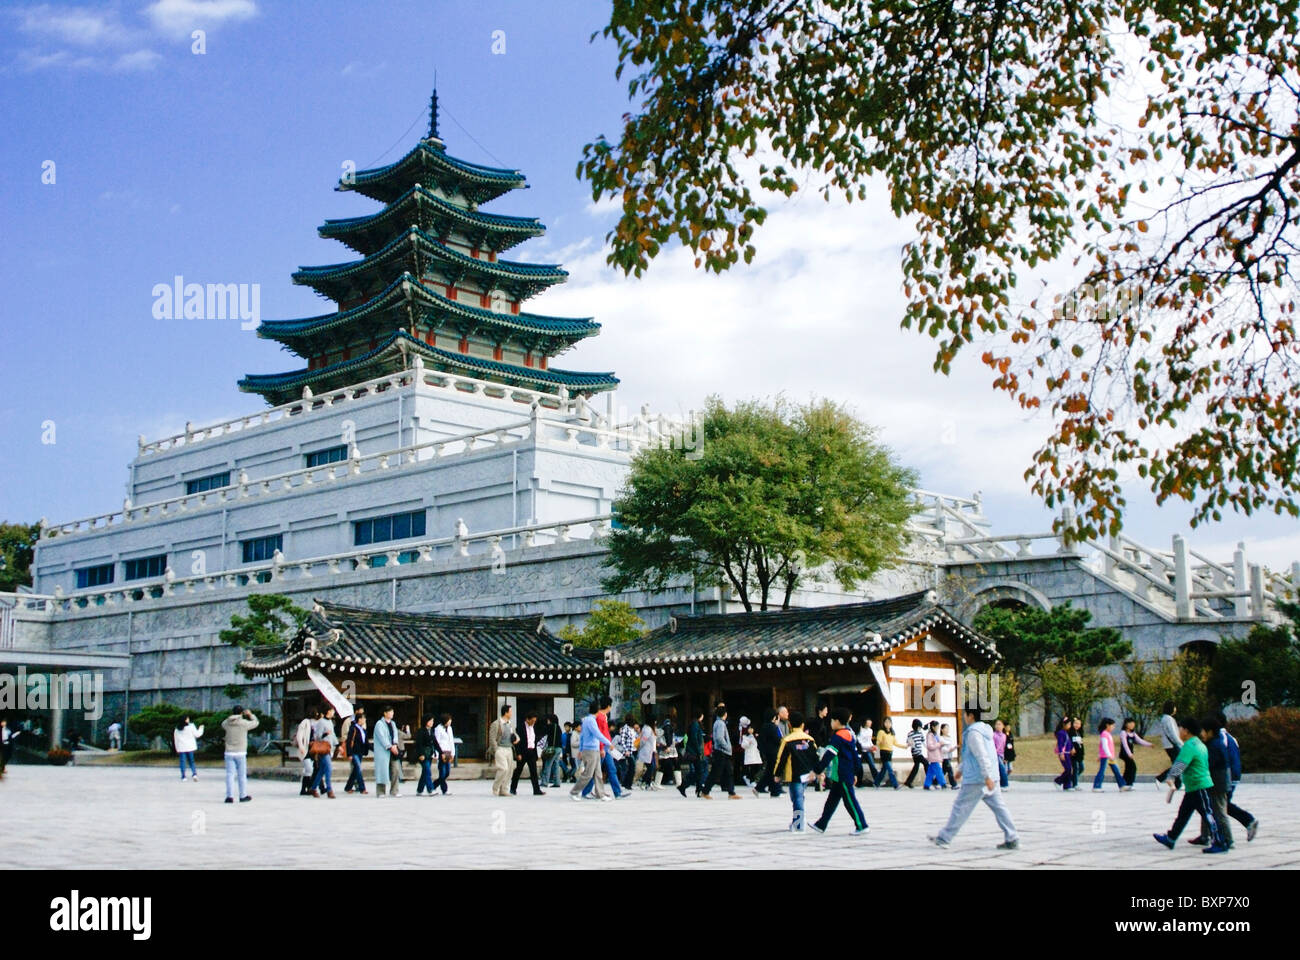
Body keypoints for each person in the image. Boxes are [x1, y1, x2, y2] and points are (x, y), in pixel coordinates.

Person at [930, 708, 1019, 849]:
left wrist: (986, 776)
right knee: (1000, 808)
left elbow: (981, 755)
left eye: (965, 714)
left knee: (960, 807)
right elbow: (971, 755)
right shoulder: (986, 731)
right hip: (990, 776)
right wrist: (961, 770)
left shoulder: (973, 733)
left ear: (971, 716)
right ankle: (1012, 837)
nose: (964, 717)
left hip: (977, 779)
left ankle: (944, 838)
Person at [1153, 715, 1226, 853]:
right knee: (1183, 814)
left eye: (1180, 728)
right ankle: (1171, 838)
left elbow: (1180, 763)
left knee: (1208, 815)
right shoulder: (1198, 743)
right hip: (1195, 786)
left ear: (1186, 730)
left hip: (1199, 786)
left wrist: (1171, 777)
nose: (1179, 731)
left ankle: (1221, 842)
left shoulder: (1190, 746)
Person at [809, 707, 868, 835]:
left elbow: (828, 755)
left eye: (832, 720)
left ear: (836, 721)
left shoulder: (838, 737)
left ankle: (862, 825)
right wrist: (857, 772)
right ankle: (821, 824)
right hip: (842, 774)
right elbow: (855, 754)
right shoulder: (849, 734)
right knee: (832, 800)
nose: (831, 723)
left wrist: (817, 770)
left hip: (843, 774)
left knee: (850, 801)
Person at [1189, 717, 1235, 848]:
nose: (1201, 733)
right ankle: (1205, 836)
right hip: (1212, 783)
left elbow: (1208, 764)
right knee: (1207, 809)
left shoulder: (1214, 745)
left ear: (1209, 732)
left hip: (1218, 784)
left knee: (1220, 812)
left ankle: (1228, 839)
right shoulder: (1213, 743)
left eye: (1203, 731)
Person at [1214, 714, 1259, 842]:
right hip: (1234, 774)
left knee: (1220, 805)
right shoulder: (1231, 738)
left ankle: (1248, 821)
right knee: (1221, 804)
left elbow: (1221, 756)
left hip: (1227, 776)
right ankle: (1208, 835)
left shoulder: (1220, 737)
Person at [772, 711, 818, 831]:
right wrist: (819, 771)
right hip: (808, 774)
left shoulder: (787, 740)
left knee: (797, 798)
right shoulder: (810, 740)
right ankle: (799, 819)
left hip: (795, 774)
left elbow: (780, 759)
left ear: (789, 725)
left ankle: (798, 824)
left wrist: (777, 774)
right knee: (800, 796)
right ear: (803, 725)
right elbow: (815, 757)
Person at [582, 696, 627, 799]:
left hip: (606, 747)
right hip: (602, 748)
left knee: (611, 769)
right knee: (595, 771)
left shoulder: (602, 717)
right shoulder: (600, 717)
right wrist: (602, 747)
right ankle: (586, 791)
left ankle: (617, 792)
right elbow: (599, 734)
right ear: (608, 706)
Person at [571, 700, 614, 802]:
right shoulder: (590, 721)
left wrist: (581, 750)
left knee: (598, 774)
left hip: (593, 750)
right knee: (588, 774)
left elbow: (582, 736)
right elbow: (597, 734)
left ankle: (600, 794)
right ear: (597, 710)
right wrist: (608, 743)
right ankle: (574, 792)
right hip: (590, 750)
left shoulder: (586, 720)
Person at [701, 706, 741, 799]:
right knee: (716, 773)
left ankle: (731, 792)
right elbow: (719, 738)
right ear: (725, 714)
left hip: (723, 752)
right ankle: (705, 791)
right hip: (721, 751)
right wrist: (727, 746)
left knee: (729, 771)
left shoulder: (719, 723)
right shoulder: (720, 724)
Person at [221, 706, 259, 804]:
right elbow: (256, 723)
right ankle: (242, 795)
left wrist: (232, 717)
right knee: (241, 775)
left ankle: (229, 796)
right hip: (241, 752)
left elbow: (223, 723)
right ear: (242, 713)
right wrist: (250, 715)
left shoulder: (226, 723)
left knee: (230, 775)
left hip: (229, 752)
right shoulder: (244, 723)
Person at [511, 711, 546, 796]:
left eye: (534, 721)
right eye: (532, 721)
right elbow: (517, 742)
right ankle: (513, 788)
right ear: (527, 719)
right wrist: (518, 753)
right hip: (523, 752)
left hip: (532, 751)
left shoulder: (534, 727)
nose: (533, 723)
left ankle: (536, 790)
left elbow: (534, 740)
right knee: (518, 771)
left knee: (534, 772)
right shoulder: (520, 727)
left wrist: (536, 753)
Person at [487, 704, 519, 797]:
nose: (512, 713)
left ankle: (504, 789)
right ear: (506, 712)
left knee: (510, 770)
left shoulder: (510, 724)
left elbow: (515, 734)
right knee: (503, 768)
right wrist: (496, 749)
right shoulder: (496, 723)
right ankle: (496, 787)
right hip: (500, 748)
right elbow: (492, 738)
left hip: (509, 748)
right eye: (510, 711)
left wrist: (517, 739)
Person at [309, 706, 339, 798]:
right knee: (328, 768)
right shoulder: (321, 722)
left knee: (322, 770)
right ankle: (329, 790)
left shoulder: (330, 722)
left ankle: (313, 788)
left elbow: (333, 735)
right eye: (332, 710)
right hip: (323, 748)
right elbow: (317, 736)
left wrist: (337, 745)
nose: (333, 712)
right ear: (328, 711)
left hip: (329, 748)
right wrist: (325, 734)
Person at [373, 705, 402, 797]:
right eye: (390, 712)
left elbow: (395, 735)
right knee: (382, 770)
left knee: (396, 769)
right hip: (383, 751)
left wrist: (395, 744)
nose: (392, 714)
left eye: (392, 712)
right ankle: (380, 791)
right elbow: (382, 737)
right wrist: (390, 746)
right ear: (385, 713)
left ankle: (394, 790)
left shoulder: (393, 723)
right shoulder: (379, 724)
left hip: (393, 749)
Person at [677, 707, 707, 797]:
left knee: (699, 771)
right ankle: (684, 785)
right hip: (694, 752)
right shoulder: (695, 724)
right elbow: (694, 738)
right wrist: (698, 751)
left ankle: (698, 789)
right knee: (699, 772)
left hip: (696, 751)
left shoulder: (696, 724)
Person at [1092, 718, 1127, 792]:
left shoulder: (1107, 734)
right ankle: (1096, 786)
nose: (1114, 727)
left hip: (1110, 756)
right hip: (1106, 757)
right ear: (1107, 725)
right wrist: (1108, 755)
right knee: (1102, 771)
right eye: (1112, 725)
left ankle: (1122, 785)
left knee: (1116, 771)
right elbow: (1104, 746)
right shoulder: (1104, 734)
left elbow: (1102, 746)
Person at [754, 709, 784, 797]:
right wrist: (777, 726)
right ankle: (766, 788)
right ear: (774, 717)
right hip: (773, 752)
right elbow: (778, 739)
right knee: (773, 771)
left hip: (767, 752)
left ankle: (772, 790)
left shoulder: (764, 726)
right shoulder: (772, 727)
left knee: (770, 771)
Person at [1154, 701, 1182, 789]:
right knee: (1179, 764)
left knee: (1177, 764)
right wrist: (1180, 743)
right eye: (1174, 707)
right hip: (1172, 745)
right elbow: (1173, 733)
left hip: (1168, 745)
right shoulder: (1168, 719)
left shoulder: (1164, 718)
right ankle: (1161, 778)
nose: (1175, 709)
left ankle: (1177, 784)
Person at [1117, 717, 1151, 788]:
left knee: (1129, 768)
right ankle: (1128, 783)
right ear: (1126, 724)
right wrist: (1129, 754)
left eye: (1133, 723)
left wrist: (1149, 744)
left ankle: (1125, 783)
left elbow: (1140, 741)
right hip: (1125, 753)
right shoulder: (1123, 733)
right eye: (1130, 723)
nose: (1132, 725)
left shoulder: (1133, 733)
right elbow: (1125, 744)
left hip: (1129, 754)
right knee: (1133, 767)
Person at [344, 707, 368, 794]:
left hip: (360, 752)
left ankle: (348, 787)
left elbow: (366, 742)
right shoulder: (353, 728)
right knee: (358, 768)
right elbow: (349, 742)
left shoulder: (363, 730)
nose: (364, 720)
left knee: (355, 770)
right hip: (354, 752)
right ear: (359, 719)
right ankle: (362, 788)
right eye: (363, 718)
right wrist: (349, 754)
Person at [173, 715, 204, 782]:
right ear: (185, 720)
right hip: (190, 746)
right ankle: (194, 774)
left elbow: (176, 739)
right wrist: (201, 728)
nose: (188, 719)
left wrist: (177, 748)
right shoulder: (191, 726)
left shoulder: (177, 729)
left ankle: (183, 776)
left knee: (182, 762)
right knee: (191, 761)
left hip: (181, 747)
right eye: (187, 719)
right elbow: (197, 734)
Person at [295, 708, 318, 796]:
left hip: (313, 748)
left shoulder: (316, 723)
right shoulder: (305, 722)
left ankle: (305, 789)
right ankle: (308, 787)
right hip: (305, 748)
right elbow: (299, 734)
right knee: (309, 768)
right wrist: (300, 745)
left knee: (308, 770)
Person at [873, 717, 901, 789]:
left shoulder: (892, 733)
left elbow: (895, 743)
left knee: (884, 770)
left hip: (890, 752)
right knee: (890, 769)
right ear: (883, 723)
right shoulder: (881, 732)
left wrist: (905, 746)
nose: (888, 724)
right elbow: (878, 741)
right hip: (884, 752)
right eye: (886, 722)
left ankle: (876, 782)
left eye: (889, 722)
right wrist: (877, 746)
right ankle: (895, 784)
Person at [416, 714, 439, 796]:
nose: (432, 722)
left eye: (432, 721)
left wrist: (441, 752)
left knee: (425, 772)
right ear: (426, 721)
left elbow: (435, 743)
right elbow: (419, 744)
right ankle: (430, 789)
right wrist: (421, 754)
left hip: (429, 754)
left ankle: (419, 790)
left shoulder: (431, 731)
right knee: (427, 771)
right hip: (422, 755)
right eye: (430, 721)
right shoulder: (421, 731)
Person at [540, 713, 564, 789]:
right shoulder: (559, 727)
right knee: (556, 765)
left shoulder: (550, 726)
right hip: (559, 748)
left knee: (548, 765)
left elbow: (543, 733)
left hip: (552, 749)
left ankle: (545, 782)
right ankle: (557, 782)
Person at [433, 713, 455, 795]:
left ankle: (433, 785)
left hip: (448, 751)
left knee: (447, 772)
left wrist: (453, 753)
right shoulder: (438, 729)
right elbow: (436, 742)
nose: (450, 722)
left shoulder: (450, 729)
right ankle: (444, 789)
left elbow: (451, 741)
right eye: (449, 720)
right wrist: (437, 754)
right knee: (442, 772)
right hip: (442, 751)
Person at [658, 708, 679, 789]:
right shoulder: (668, 723)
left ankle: (678, 782)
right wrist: (668, 745)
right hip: (669, 747)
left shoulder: (666, 723)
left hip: (669, 746)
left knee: (670, 763)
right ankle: (678, 782)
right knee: (672, 763)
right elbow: (667, 734)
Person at [635, 717, 659, 789]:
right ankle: (646, 782)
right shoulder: (648, 729)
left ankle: (644, 781)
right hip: (646, 750)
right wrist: (641, 746)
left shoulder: (647, 728)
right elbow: (643, 740)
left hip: (649, 750)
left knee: (650, 767)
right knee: (650, 767)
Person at [922, 721, 946, 789]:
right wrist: (939, 744)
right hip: (933, 755)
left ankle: (927, 784)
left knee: (930, 771)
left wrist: (941, 744)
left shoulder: (936, 734)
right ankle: (943, 783)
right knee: (938, 770)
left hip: (937, 754)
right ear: (933, 727)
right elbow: (930, 746)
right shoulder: (930, 735)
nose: (938, 728)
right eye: (937, 727)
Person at [904, 719, 927, 788]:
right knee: (926, 763)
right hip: (916, 753)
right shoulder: (910, 734)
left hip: (920, 752)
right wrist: (913, 746)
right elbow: (909, 743)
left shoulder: (920, 733)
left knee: (916, 768)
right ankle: (929, 779)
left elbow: (923, 741)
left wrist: (927, 748)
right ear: (915, 726)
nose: (920, 728)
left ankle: (908, 782)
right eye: (919, 727)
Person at [856, 719, 879, 787]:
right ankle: (859, 782)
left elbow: (869, 740)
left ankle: (877, 780)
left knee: (872, 765)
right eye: (868, 723)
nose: (870, 724)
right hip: (861, 750)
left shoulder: (870, 730)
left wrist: (872, 746)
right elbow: (859, 741)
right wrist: (867, 747)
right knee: (859, 767)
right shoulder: (860, 730)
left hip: (868, 750)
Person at [1053, 716, 1074, 790]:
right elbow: (1061, 744)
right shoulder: (1061, 733)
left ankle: (1067, 785)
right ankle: (1058, 781)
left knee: (1069, 769)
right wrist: (1061, 753)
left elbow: (1069, 742)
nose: (1070, 726)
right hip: (1064, 753)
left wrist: (1072, 748)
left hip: (1068, 753)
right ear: (1064, 725)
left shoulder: (1066, 733)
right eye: (1068, 724)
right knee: (1068, 769)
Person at [940, 722, 959, 788]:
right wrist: (949, 749)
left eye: (948, 728)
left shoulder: (949, 738)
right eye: (946, 728)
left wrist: (954, 748)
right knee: (950, 771)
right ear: (942, 729)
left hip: (949, 756)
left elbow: (950, 747)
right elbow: (942, 749)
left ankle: (935, 782)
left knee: (943, 772)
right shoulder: (941, 738)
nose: (947, 730)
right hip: (945, 757)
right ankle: (953, 784)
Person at [990, 719, 1008, 789]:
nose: (997, 726)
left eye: (999, 724)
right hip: (995, 754)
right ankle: (1004, 784)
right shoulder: (993, 735)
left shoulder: (1004, 736)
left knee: (1003, 770)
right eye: (996, 724)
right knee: (1002, 769)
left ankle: (1000, 784)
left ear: (1003, 726)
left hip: (1002, 755)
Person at [1070, 716, 1085, 789]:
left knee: (1082, 768)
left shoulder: (1079, 733)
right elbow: (1069, 742)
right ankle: (1075, 784)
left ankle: (1071, 780)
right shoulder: (1070, 732)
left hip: (1079, 754)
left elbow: (1080, 743)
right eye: (1075, 723)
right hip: (1073, 754)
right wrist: (1071, 748)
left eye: (1079, 724)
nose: (1077, 725)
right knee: (1075, 768)